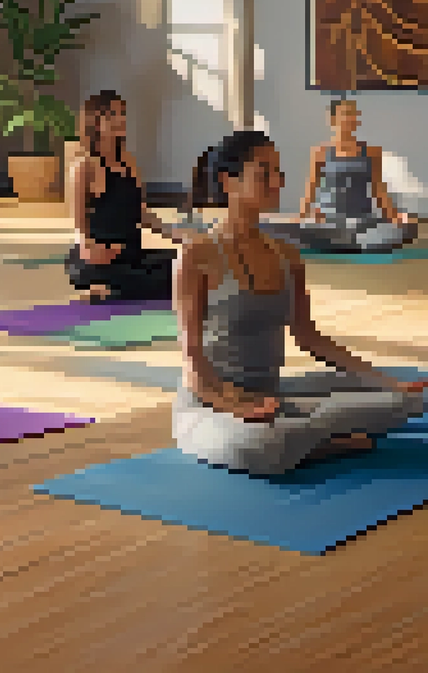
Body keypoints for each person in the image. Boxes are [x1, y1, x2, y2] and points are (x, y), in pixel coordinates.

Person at [171, 130, 427, 477]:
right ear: (227, 181)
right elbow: (191, 358)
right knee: (253, 445)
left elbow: (309, 338)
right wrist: (233, 404)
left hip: (272, 393)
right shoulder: (196, 255)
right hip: (209, 404)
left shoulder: (286, 254)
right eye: (265, 173)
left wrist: (388, 381)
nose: (277, 182)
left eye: (279, 173)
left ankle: (313, 430)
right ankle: (326, 437)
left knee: (408, 399)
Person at [66, 91, 195, 302]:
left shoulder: (129, 162)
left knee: (186, 265)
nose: (120, 120)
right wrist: (90, 248)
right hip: (98, 258)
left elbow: (140, 213)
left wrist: (178, 236)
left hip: (132, 254)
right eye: (112, 115)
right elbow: (79, 225)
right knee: (162, 280)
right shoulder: (83, 167)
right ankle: (109, 288)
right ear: (95, 123)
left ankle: (114, 291)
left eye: (122, 113)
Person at [261, 99, 419, 253]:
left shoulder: (372, 153)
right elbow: (311, 188)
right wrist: (302, 217)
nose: (349, 119)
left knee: (402, 230)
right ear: (333, 120)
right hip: (328, 220)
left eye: (352, 114)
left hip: (361, 219)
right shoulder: (320, 152)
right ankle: (341, 241)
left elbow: (379, 191)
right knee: (286, 232)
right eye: (344, 114)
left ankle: (354, 241)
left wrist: (394, 217)